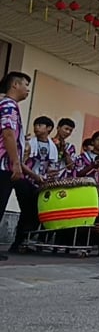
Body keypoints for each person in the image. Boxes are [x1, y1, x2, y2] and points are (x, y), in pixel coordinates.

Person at [13, 116, 61, 252]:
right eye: (35, 125)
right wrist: (34, 176)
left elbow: (51, 166)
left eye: (40, 125)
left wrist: (50, 175)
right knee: (27, 211)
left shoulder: (53, 147)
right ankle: (18, 242)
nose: (36, 128)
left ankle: (23, 241)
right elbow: (21, 163)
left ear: (49, 128)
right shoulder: (28, 144)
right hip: (25, 180)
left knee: (35, 213)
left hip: (39, 184)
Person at [0, 71, 31, 262]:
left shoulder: (9, 105)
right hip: (3, 165)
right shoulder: (9, 105)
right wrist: (16, 163)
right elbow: (8, 134)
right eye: (26, 84)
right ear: (15, 85)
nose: (28, 89)